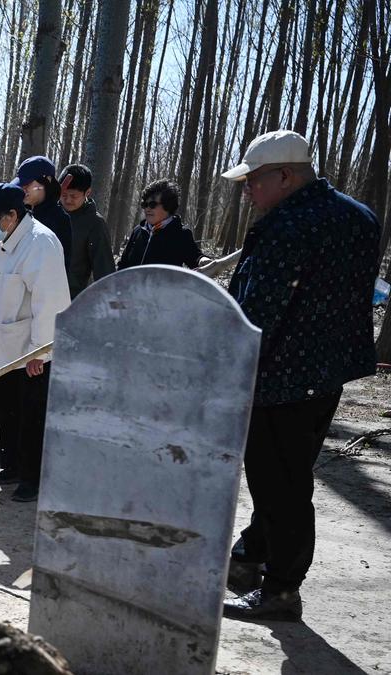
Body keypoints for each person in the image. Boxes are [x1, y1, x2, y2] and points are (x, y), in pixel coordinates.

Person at [219, 130, 380, 621]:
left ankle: (282, 590)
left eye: (253, 181)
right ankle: (250, 555)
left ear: (285, 176)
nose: (248, 191)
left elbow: (258, 313)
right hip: (327, 374)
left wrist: (229, 363)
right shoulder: (359, 217)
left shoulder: (286, 225)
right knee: (287, 474)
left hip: (279, 378)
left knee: (280, 486)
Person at [0, 183, 70, 502]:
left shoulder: (41, 243)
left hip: (33, 352)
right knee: (9, 411)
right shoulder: (3, 243)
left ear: (11, 216)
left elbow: (50, 302)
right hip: (7, 347)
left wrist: (40, 351)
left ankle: (32, 478)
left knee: (32, 417)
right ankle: (12, 465)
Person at [116, 179, 210, 270]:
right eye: (144, 204)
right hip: (132, 281)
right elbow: (123, 264)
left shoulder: (181, 234)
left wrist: (202, 260)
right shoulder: (138, 231)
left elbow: (195, 258)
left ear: (168, 205)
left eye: (152, 204)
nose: (147, 209)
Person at [12, 156, 72, 282]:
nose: (23, 189)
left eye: (28, 184)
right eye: (21, 184)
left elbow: (60, 269)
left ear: (46, 181)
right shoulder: (21, 214)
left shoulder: (59, 220)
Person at [58, 164, 114, 297]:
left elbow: (104, 268)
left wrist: (108, 299)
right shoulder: (50, 214)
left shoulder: (95, 224)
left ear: (87, 193)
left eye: (73, 196)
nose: (68, 200)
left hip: (71, 297)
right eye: (64, 195)